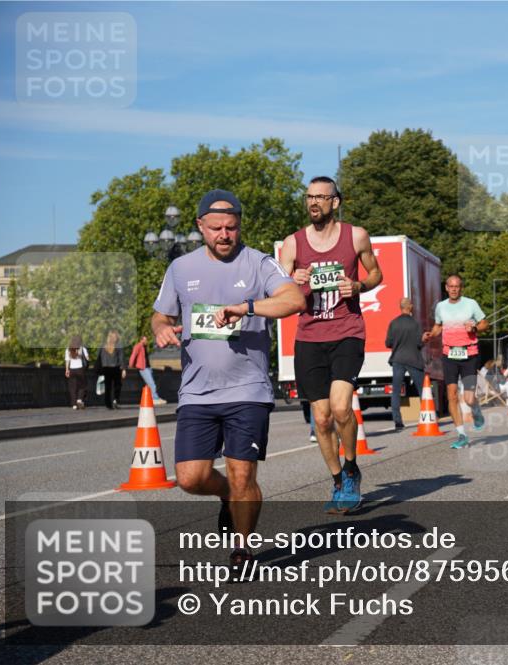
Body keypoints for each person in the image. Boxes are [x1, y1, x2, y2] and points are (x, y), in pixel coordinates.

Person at [152, 189, 304, 571]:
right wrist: (161, 330)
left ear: (239, 227)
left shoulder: (259, 264)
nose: (224, 235)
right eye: (216, 228)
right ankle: (226, 497)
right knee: (190, 477)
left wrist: (246, 307)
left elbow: (294, 300)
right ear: (200, 226)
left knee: (242, 472)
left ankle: (243, 550)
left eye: (231, 228)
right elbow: (161, 316)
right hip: (196, 392)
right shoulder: (181, 269)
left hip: (247, 390)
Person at [279, 176, 382, 514]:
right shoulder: (293, 244)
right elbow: (278, 287)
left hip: (347, 332)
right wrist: (291, 280)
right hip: (308, 337)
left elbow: (376, 274)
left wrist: (359, 286)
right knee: (321, 418)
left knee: (340, 407)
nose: (314, 203)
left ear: (335, 202)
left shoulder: (356, 236)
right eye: (310, 197)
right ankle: (337, 479)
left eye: (322, 197)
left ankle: (351, 469)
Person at [423, 274, 488, 449]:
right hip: (449, 354)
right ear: (446, 288)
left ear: (461, 288)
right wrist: (431, 334)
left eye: (457, 286)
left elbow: (484, 323)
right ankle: (461, 434)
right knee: (451, 395)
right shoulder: (441, 307)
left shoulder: (471, 304)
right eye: (451, 286)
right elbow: (438, 326)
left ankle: (476, 411)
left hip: (469, 354)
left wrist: (474, 327)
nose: (453, 289)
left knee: (468, 398)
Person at [386, 297, 425, 429]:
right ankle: (426, 416)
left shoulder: (393, 323)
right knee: (422, 390)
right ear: (410, 307)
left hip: (397, 359)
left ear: (400, 307)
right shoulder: (415, 324)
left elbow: (388, 343)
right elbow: (419, 343)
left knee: (396, 391)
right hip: (414, 359)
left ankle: (397, 421)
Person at [129, 336, 167, 406]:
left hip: (148, 368)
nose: (146, 341)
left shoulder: (144, 347)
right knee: (151, 384)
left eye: (147, 340)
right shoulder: (138, 346)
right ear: (141, 340)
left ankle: (154, 397)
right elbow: (133, 355)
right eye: (145, 340)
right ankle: (155, 398)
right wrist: (131, 365)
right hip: (143, 368)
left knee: (150, 384)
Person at [97, 330, 126, 410]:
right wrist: (123, 369)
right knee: (117, 385)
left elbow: (98, 356)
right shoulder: (118, 345)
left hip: (105, 368)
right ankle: (115, 400)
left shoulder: (103, 345)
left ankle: (108, 404)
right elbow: (121, 357)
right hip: (115, 368)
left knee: (107, 387)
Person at [64, 335, 89, 409]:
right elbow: (87, 358)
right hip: (80, 369)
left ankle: (74, 404)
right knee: (82, 385)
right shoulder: (82, 349)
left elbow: (67, 360)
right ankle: (79, 399)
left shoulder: (68, 349)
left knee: (72, 387)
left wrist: (67, 370)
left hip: (72, 369)